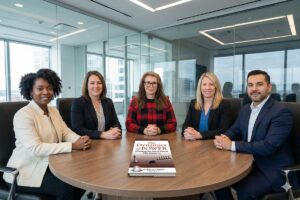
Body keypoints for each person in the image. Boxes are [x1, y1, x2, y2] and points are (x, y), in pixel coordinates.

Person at [3, 68, 91, 200]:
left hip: (50, 164)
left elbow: (65, 132)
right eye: (40, 88)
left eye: (49, 88)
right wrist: (72, 146)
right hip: (25, 171)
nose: (46, 92)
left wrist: (81, 140)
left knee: (81, 176)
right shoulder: (23, 115)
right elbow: (36, 148)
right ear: (31, 91)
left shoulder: (53, 110)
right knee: (69, 186)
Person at [213, 70, 297, 200]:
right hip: (248, 163)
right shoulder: (246, 108)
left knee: (246, 191)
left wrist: (232, 145)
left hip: (272, 169)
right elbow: (235, 130)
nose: (254, 89)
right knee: (217, 179)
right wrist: (223, 138)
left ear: (269, 87)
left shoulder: (281, 112)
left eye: (259, 84)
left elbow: (268, 146)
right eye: (250, 85)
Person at [71, 71, 121, 139]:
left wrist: (114, 130)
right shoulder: (78, 103)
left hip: (108, 142)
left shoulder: (108, 102)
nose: (96, 86)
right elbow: (78, 129)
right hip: (89, 144)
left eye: (99, 83)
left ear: (103, 85)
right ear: (86, 86)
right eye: (92, 83)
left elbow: (116, 123)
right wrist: (103, 134)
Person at [182, 72, 232, 140]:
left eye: (211, 84)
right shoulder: (194, 103)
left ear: (216, 87)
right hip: (194, 144)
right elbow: (185, 125)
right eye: (204, 84)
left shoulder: (224, 104)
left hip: (214, 145)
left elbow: (223, 130)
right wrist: (188, 132)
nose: (207, 88)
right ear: (200, 87)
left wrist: (200, 135)